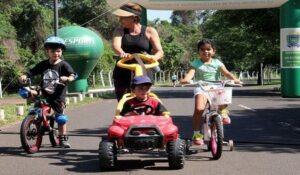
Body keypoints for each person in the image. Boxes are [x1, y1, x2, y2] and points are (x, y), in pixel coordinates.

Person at [180, 39, 240, 145]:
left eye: (208, 49)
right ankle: (197, 133)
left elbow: (226, 73)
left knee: (224, 93)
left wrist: (235, 79)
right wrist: (186, 79)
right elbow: (191, 73)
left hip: (216, 87)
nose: (205, 51)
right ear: (198, 51)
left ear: (213, 51)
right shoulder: (196, 63)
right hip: (202, 87)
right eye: (202, 49)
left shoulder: (217, 63)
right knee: (199, 109)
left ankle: (223, 112)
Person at [19, 36, 76, 148]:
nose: (56, 53)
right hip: (43, 91)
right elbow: (32, 71)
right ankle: (30, 123)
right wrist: (25, 76)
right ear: (47, 52)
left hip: (57, 95)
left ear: (61, 51)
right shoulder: (44, 64)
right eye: (53, 51)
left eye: (58, 51)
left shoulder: (63, 64)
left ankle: (62, 139)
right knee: (25, 92)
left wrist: (68, 78)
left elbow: (73, 74)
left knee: (61, 118)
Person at [111, 2, 164, 101]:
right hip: (123, 72)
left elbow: (160, 52)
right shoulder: (119, 30)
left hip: (144, 72)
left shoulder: (150, 31)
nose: (120, 20)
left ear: (134, 17)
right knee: (123, 104)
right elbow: (115, 45)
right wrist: (122, 53)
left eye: (123, 17)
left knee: (144, 102)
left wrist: (154, 57)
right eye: (120, 17)